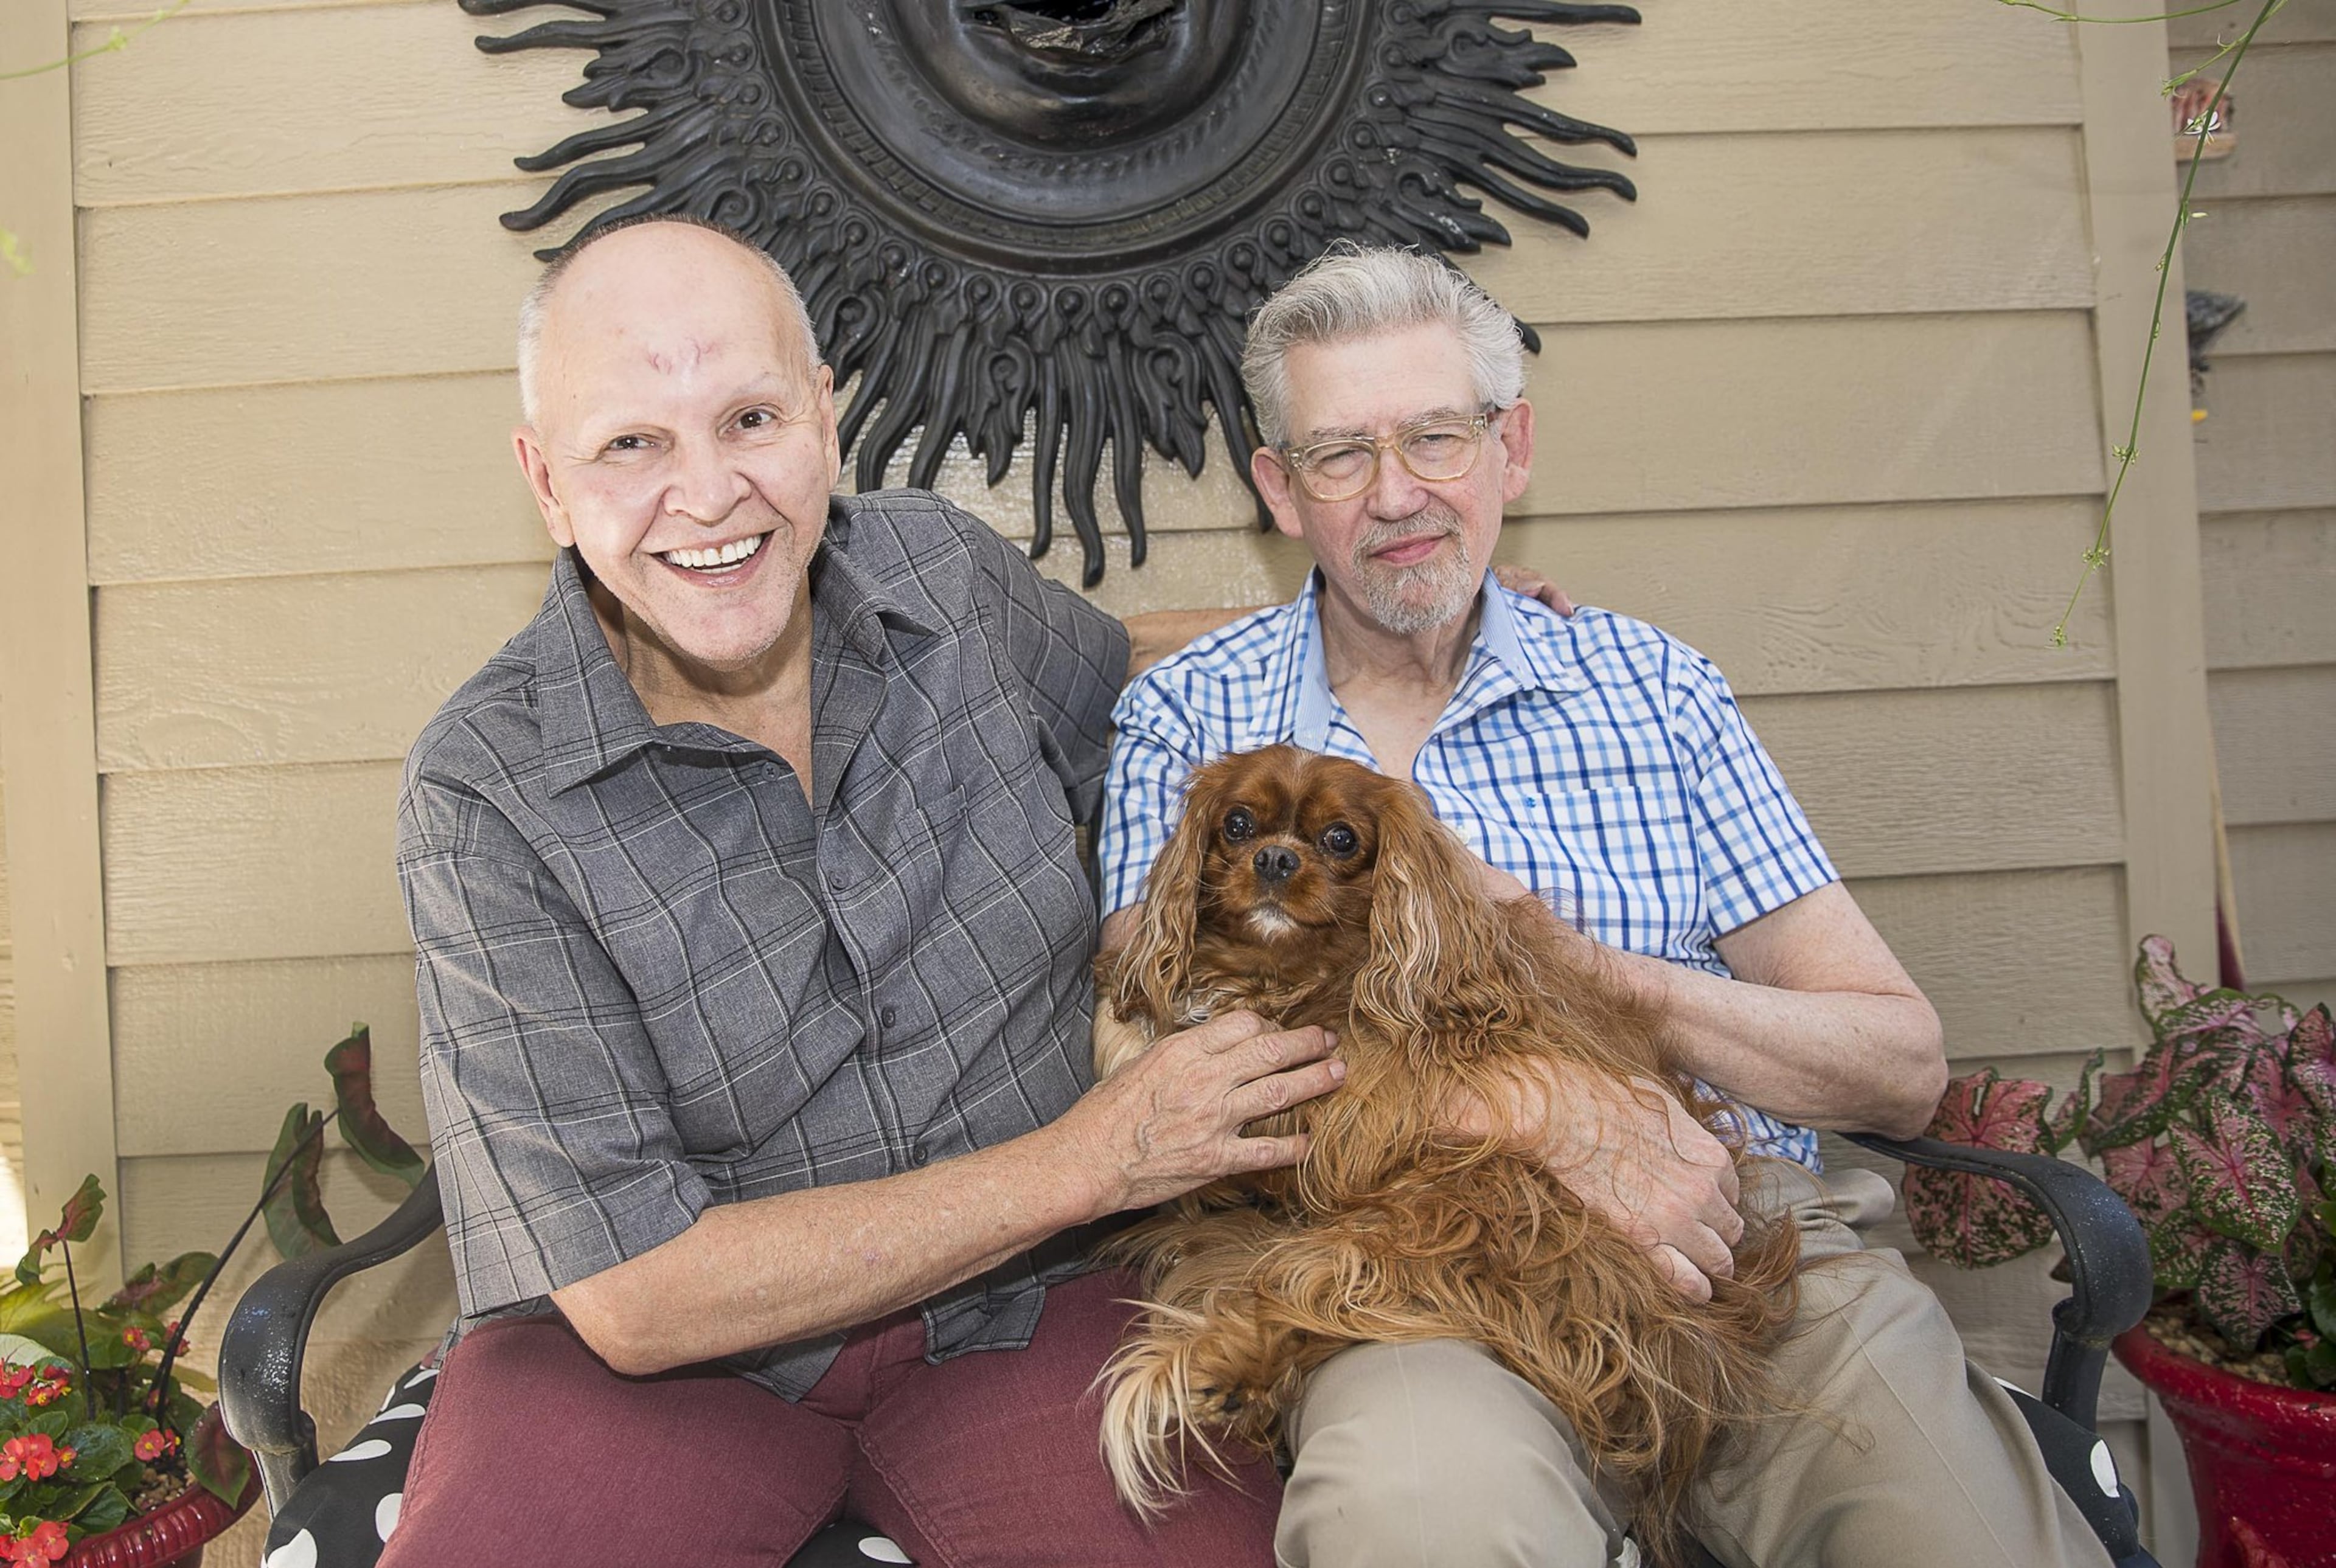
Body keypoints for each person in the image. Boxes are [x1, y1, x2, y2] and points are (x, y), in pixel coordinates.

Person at [1097, 244, 2116, 1568]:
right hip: (1391, 1261)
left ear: (1511, 447)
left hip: (1733, 1224)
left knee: (1963, 1536)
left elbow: (1900, 1065)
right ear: (1280, 490)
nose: (1398, 494)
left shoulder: (1654, 688)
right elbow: (1152, 1037)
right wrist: (1535, 1103)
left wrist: (1615, 986)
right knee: (1417, 1517)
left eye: (1437, 437)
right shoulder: (1192, 714)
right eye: (1342, 455)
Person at [380, 215, 1349, 1567]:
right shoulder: (483, 789)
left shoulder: (941, 581)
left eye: (751, 417)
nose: (709, 494)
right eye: (631, 445)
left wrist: (1364, 623)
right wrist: (1094, 1155)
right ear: (547, 483)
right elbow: (635, 1293)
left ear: (826, 421)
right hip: (653, 1375)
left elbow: (1130, 667)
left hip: (1028, 1316)